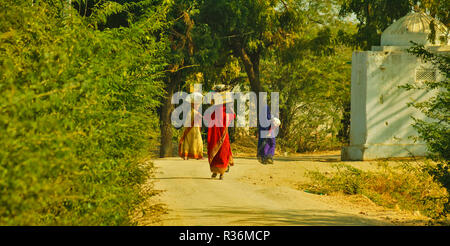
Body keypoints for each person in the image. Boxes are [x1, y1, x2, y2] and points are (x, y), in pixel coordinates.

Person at [207, 86, 235, 180]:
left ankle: (219, 172)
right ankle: (218, 172)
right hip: (219, 133)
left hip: (219, 133)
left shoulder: (220, 109)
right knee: (221, 151)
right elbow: (232, 116)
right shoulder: (219, 109)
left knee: (221, 151)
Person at [178, 92, 204, 160]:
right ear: (194, 104)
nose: (198, 106)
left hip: (190, 129)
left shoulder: (191, 111)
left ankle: (187, 155)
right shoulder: (194, 112)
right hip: (194, 129)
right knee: (198, 141)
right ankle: (197, 155)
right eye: (197, 105)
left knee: (188, 142)